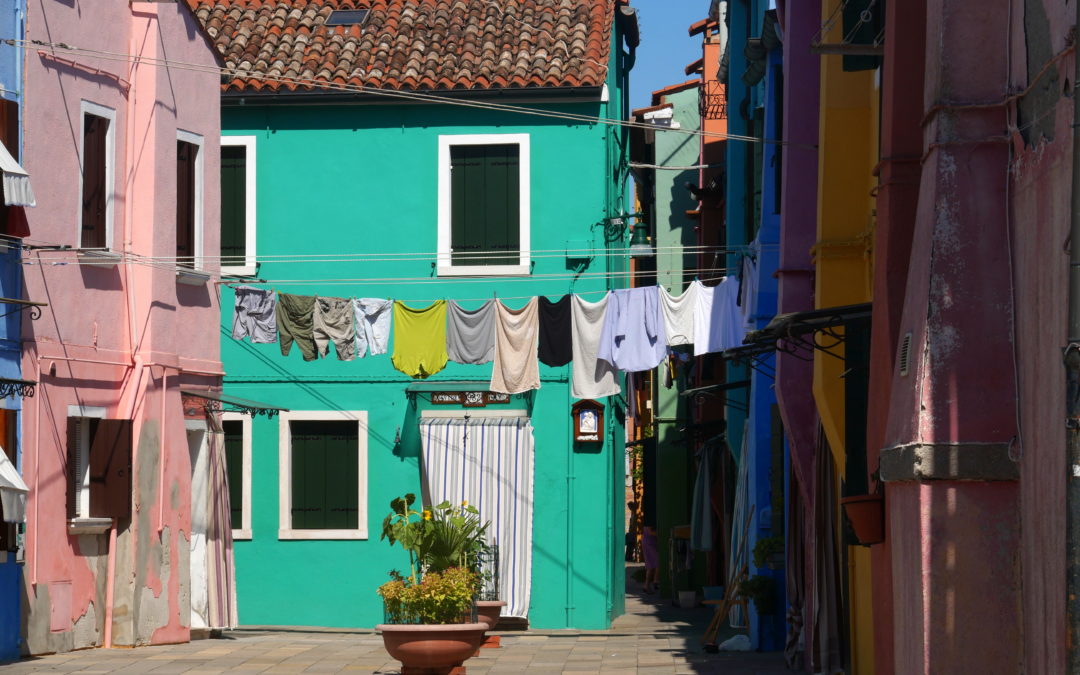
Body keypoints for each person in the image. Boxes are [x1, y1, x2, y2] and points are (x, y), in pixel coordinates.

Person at [642, 525, 659, 593]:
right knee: (657, 563)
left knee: (650, 565)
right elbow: (650, 532)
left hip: (649, 542)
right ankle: (655, 581)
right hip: (649, 543)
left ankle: (647, 586)